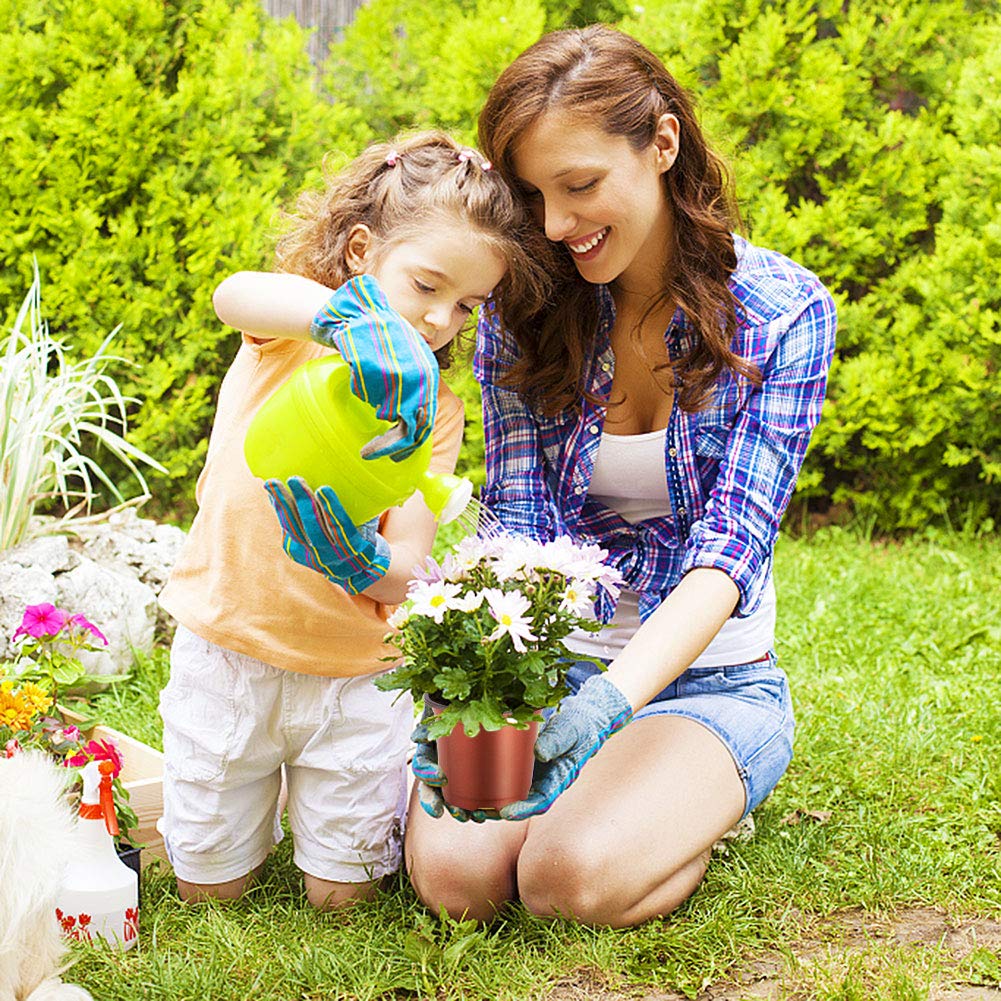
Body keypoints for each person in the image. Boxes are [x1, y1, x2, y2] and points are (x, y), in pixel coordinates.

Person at [405, 26, 838, 928]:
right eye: (533, 195)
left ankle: (699, 802)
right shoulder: (519, 312)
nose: (558, 226)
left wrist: (608, 702)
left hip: (709, 678)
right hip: (553, 658)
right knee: (455, 881)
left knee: (565, 883)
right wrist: (476, 679)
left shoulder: (784, 312)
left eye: (580, 186)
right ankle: (629, 799)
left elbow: (730, 550)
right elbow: (515, 527)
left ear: (663, 144)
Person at [157, 131, 546, 910]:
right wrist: (343, 320)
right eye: (425, 286)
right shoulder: (291, 339)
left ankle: (336, 809)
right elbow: (234, 291)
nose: (439, 320)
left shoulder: (431, 409)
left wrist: (360, 563)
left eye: (466, 306)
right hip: (229, 650)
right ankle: (245, 814)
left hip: (351, 680)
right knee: (208, 887)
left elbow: (410, 569)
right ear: (363, 253)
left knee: (344, 897)